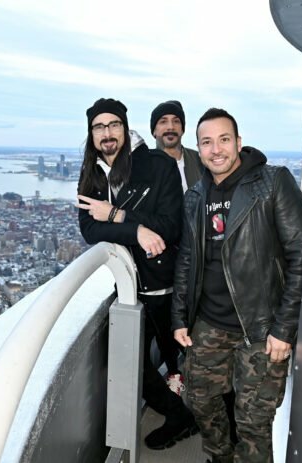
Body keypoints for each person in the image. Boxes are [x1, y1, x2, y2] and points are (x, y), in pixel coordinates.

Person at [171, 108, 302, 463]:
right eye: (207, 142)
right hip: (209, 323)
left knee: (253, 422)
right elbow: (187, 258)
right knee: (199, 399)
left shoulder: (272, 182)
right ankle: (220, 456)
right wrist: (179, 318)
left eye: (224, 139)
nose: (216, 149)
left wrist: (284, 328)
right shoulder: (196, 196)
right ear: (198, 149)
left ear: (239, 142)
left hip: (261, 329)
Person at [77, 97, 198, 450]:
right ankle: (180, 416)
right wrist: (137, 232)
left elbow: (170, 228)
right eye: (99, 127)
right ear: (91, 134)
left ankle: (200, 421)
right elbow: (89, 229)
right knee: (134, 364)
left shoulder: (157, 167)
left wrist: (116, 216)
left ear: (125, 129)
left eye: (113, 125)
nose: (107, 133)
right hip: (128, 285)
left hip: (163, 283)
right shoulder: (92, 174)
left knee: (186, 356)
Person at [151, 100, 239, 444]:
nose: (169, 127)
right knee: (175, 345)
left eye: (176, 121)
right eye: (163, 122)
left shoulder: (199, 160)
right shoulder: (146, 166)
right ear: (155, 129)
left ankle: (223, 421)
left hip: (208, 270)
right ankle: (184, 412)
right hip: (164, 269)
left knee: (214, 354)